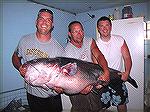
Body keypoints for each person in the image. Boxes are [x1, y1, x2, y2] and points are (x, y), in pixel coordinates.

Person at [12, 8, 64, 112]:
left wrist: (61, 87)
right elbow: (15, 56)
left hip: (52, 98)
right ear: (36, 22)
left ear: (52, 25)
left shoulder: (59, 49)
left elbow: (64, 75)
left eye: (48, 20)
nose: (44, 22)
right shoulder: (24, 40)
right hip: (31, 95)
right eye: (41, 19)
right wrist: (19, 67)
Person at [63, 21, 110, 112]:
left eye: (81, 30)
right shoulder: (67, 52)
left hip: (91, 80)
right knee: (80, 109)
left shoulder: (89, 41)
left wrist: (106, 71)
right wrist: (80, 90)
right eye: (75, 31)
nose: (79, 34)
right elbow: (68, 78)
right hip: (77, 87)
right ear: (69, 34)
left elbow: (99, 55)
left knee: (97, 108)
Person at [96, 16, 132, 112]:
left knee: (122, 104)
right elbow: (95, 65)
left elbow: (127, 58)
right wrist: (98, 82)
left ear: (111, 27)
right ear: (98, 29)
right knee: (101, 107)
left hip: (118, 78)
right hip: (103, 80)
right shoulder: (95, 44)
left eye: (107, 25)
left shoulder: (120, 40)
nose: (104, 28)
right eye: (101, 26)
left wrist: (127, 72)